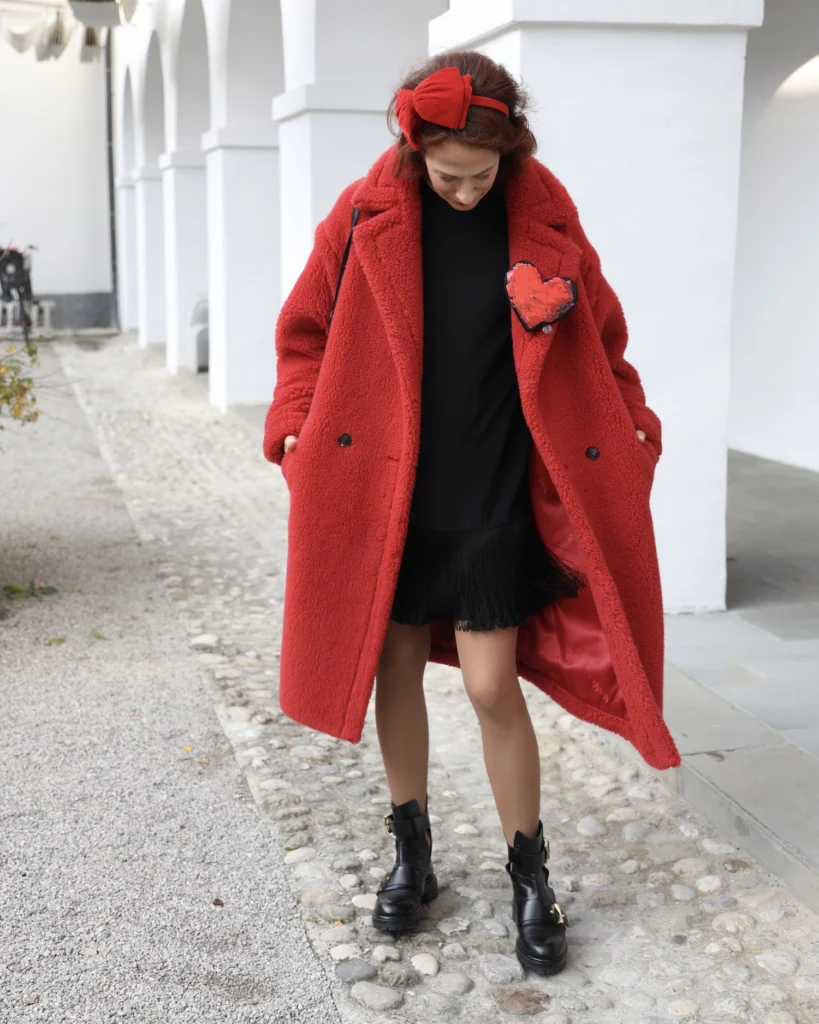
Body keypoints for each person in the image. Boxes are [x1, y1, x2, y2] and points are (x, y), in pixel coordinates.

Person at [263, 50, 680, 976]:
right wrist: (294, 423)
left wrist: (634, 427)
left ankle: (531, 876)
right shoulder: (364, 213)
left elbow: (604, 338)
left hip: (495, 486)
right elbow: (304, 331)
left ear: (508, 150)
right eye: (445, 175)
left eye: (478, 175)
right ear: (414, 150)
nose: (461, 191)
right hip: (391, 492)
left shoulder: (546, 217)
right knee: (395, 668)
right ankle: (411, 857)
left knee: (492, 687)